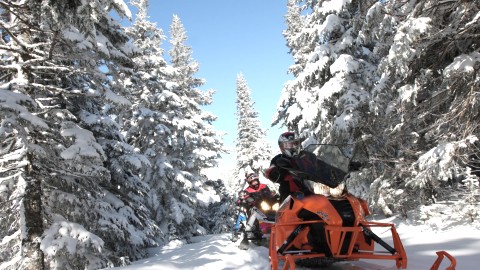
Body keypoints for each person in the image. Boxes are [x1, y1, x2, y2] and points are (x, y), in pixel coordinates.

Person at [232, 173, 273, 242]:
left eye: (255, 181)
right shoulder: (248, 190)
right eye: (253, 182)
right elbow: (244, 198)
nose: (255, 183)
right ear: (250, 183)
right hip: (255, 207)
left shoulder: (264, 186)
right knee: (252, 213)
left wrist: (273, 197)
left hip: (267, 205)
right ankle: (253, 231)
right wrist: (247, 200)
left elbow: (270, 194)